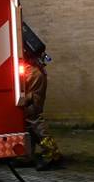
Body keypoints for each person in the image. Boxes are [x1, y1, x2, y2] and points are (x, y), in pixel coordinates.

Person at [18, 23, 62, 169]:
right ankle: (27, 156)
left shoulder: (18, 33)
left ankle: (52, 154)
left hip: (32, 74)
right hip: (33, 72)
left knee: (33, 117)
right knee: (27, 119)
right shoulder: (19, 32)